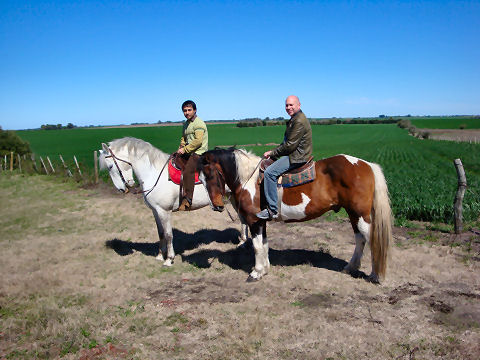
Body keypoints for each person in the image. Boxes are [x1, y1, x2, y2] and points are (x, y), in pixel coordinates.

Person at [256, 95, 313, 220]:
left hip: (297, 156)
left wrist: (272, 153)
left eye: (291, 105)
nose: (288, 107)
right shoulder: (295, 118)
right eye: (287, 105)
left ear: (299, 105)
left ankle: (272, 210)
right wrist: (273, 151)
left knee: (270, 172)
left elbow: (289, 146)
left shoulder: (298, 121)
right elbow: (287, 143)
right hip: (297, 153)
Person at [177, 100, 208, 211]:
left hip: (199, 153)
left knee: (188, 170)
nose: (187, 112)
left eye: (189, 110)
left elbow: (198, 141)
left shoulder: (199, 123)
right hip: (188, 151)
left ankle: (188, 199)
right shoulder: (186, 124)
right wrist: (181, 147)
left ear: (195, 110)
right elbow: (183, 138)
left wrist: (184, 150)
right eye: (185, 110)